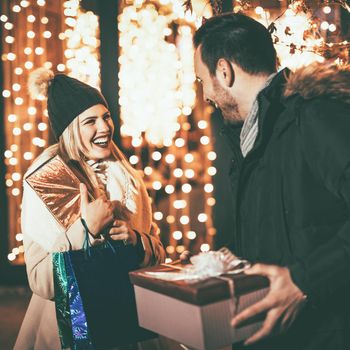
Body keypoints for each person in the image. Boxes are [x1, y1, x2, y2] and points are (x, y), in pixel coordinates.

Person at [193, 12, 350, 350]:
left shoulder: (314, 117)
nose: (205, 94)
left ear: (224, 70)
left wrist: (305, 281)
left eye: (201, 80)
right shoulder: (251, 140)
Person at [14, 68, 166, 350]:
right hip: (72, 330)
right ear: (71, 129)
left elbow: (158, 250)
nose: (105, 127)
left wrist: (136, 241)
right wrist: (85, 230)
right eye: (91, 121)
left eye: (106, 117)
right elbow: (42, 283)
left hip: (130, 324)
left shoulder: (128, 177)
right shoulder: (46, 182)